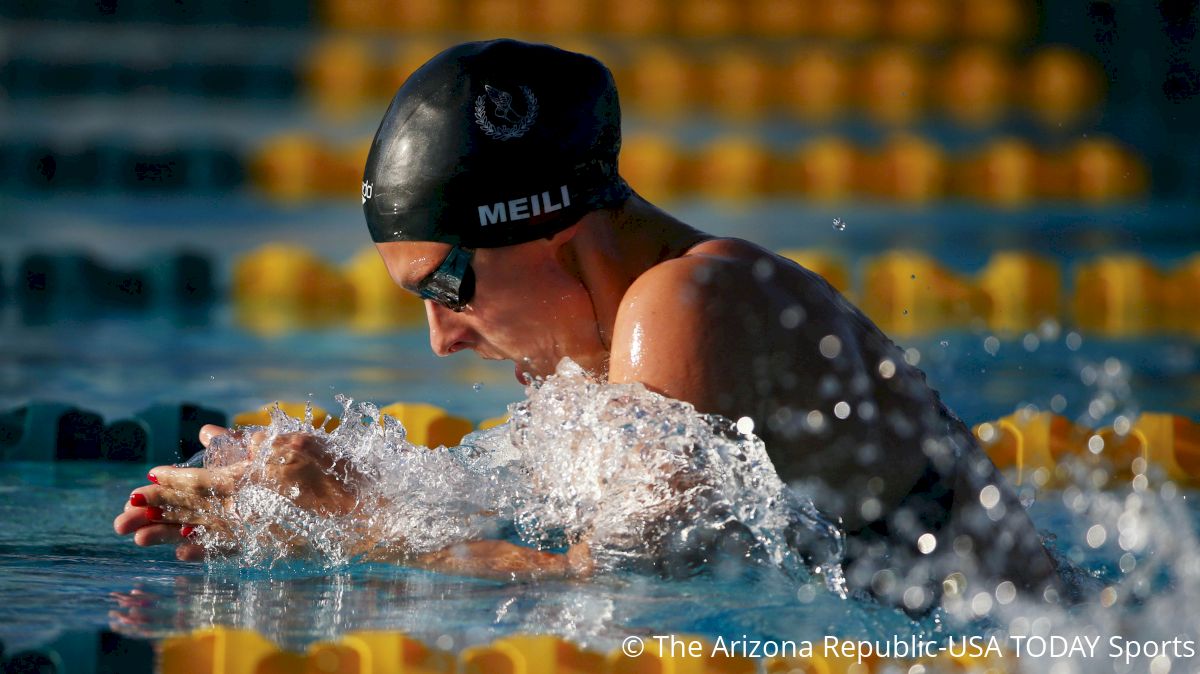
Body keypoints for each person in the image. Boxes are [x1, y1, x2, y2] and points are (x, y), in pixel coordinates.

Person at [114, 39, 1059, 610]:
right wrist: (292, 506)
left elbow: (628, 590)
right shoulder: (626, 340)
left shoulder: (680, 303)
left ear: (547, 231)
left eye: (446, 286)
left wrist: (354, 526)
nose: (444, 339)